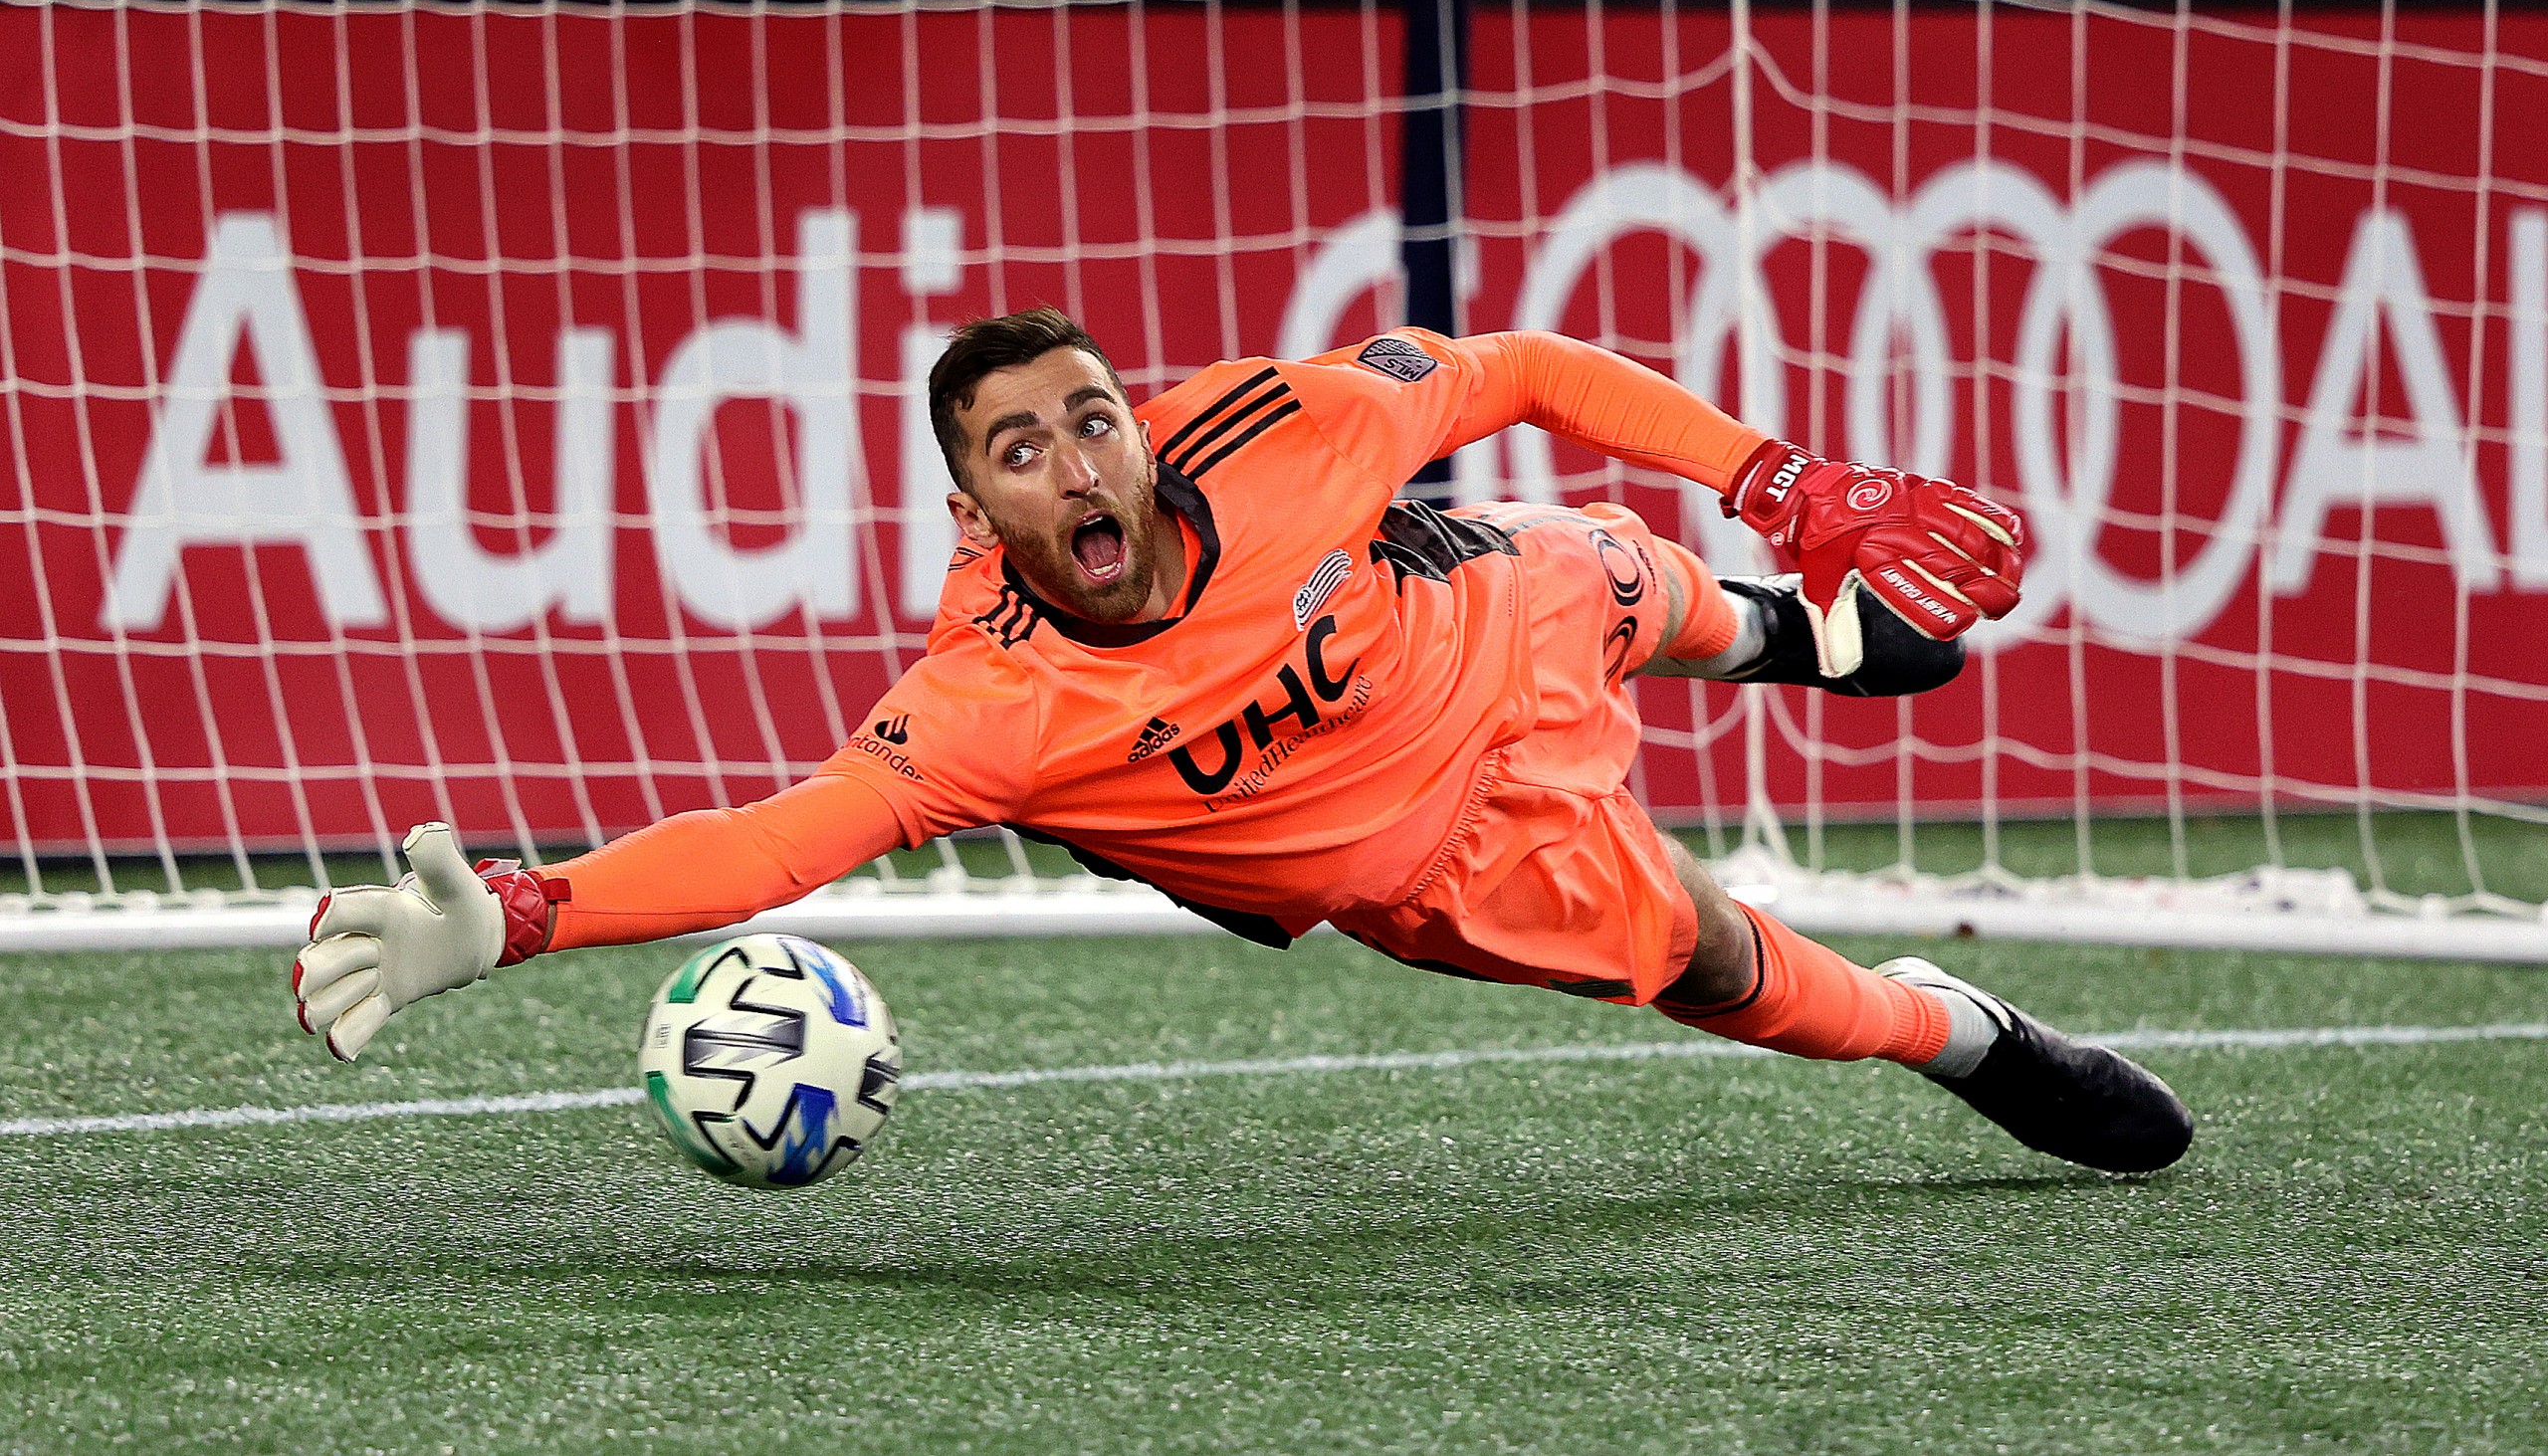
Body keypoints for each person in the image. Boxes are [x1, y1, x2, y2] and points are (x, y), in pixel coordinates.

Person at [292, 313, 2192, 1174]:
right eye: (1018, 451)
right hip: (1439, 853)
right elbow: (784, 842)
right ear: (978, 517)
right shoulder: (990, 698)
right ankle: (1965, 1033)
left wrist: (1776, 476)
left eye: (1090, 415)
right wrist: (527, 915)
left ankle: (1800, 630)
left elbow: (1521, 369)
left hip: (1470, 618)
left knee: (1584, 563)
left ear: (1139, 416)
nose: (1077, 460)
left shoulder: (1281, 430)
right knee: (1715, 965)